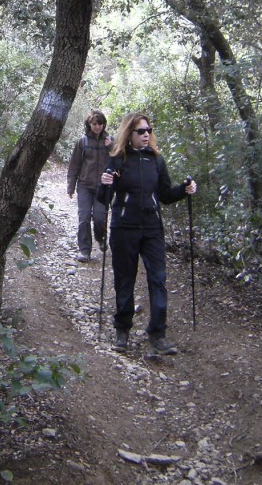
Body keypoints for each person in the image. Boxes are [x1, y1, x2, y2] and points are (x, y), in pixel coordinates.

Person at [98, 112, 196, 356]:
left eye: (148, 130)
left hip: (152, 228)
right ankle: (122, 330)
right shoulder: (118, 159)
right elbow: (103, 198)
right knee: (125, 280)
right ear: (128, 133)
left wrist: (184, 190)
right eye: (141, 131)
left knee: (158, 279)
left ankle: (158, 334)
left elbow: (164, 195)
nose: (146, 135)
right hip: (124, 228)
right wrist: (104, 184)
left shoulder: (156, 160)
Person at [66, 110, 112, 263]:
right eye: (94, 124)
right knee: (84, 218)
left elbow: (119, 160)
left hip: (103, 187)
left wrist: (111, 146)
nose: (97, 127)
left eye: (100, 124)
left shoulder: (110, 141)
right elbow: (74, 165)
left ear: (104, 124)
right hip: (84, 186)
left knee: (100, 218)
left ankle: (101, 238)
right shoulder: (82, 142)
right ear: (89, 125)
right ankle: (84, 250)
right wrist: (70, 186)